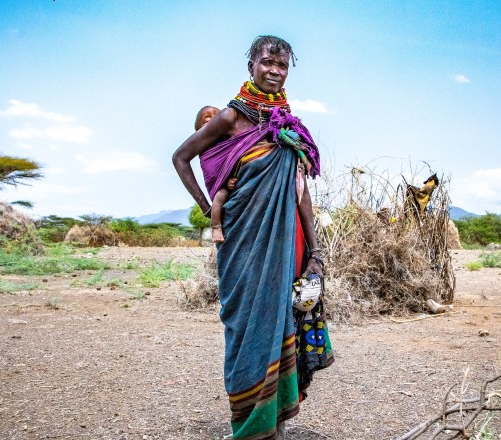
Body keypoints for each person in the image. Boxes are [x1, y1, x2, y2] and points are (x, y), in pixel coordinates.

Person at [173, 36, 334, 440]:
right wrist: (211, 207)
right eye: (267, 63)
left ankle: (273, 421)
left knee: (284, 322)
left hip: (284, 244)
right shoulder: (231, 118)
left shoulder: (289, 126)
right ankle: (248, 421)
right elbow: (181, 157)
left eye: (282, 66)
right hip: (241, 244)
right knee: (245, 328)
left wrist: (315, 250)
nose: (275, 70)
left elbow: (300, 191)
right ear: (251, 66)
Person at [194, 106, 230, 243]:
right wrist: (226, 181)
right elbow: (212, 171)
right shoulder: (204, 146)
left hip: (237, 183)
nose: (212, 121)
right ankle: (216, 227)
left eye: (217, 117)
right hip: (220, 185)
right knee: (221, 195)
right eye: (206, 120)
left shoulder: (230, 142)